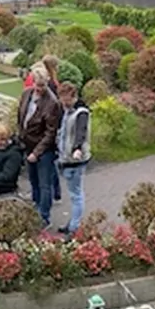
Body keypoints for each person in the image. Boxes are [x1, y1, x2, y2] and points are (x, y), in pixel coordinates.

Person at [16, 68, 63, 225]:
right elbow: (20, 117)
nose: (40, 89)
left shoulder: (52, 103)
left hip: (44, 149)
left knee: (44, 184)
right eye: (38, 85)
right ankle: (35, 208)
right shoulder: (26, 94)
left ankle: (44, 216)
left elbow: (50, 133)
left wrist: (37, 153)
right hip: (28, 144)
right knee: (33, 180)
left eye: (43, 85)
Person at [55, 82, 90, 235]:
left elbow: (80, 132)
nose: (64, 103)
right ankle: (72, 223)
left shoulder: (81, 113)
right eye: (62, 99)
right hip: (66, 158)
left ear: (74, 96)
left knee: (76, 195)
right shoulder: (67, 111)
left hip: (76, 159)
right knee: (73, 193)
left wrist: (77, 148)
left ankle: (75, 227)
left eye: (66, 99)